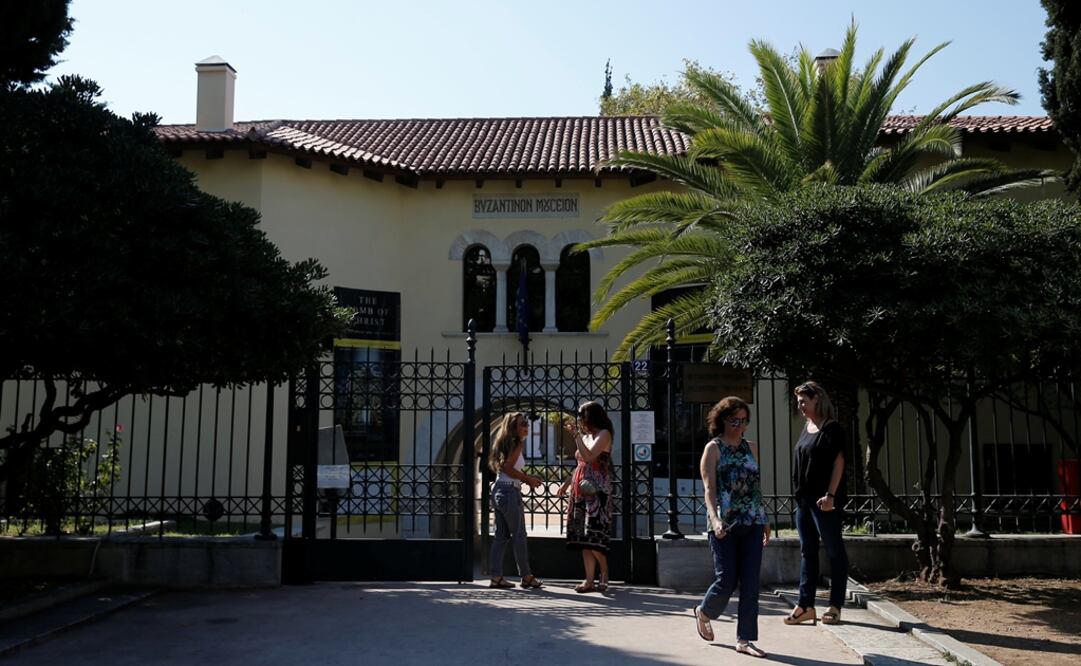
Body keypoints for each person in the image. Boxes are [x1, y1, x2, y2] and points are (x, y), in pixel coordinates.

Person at [692, 396, 771, 659]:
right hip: (725, 524)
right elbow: (709, 489)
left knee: (750, 583)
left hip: (752, 520)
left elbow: (756, 487)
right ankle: (704, 612)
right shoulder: (713, 448)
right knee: (725, 580)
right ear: (722, 420)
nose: (739, 426)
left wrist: (765, 518)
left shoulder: (751, 447)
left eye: (744, 421)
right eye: (734, 420)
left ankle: (745, 639)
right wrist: (714, 520)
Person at [785, 380, 849, 626]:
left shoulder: (832, 429)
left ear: (816, 399)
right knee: (807, 552)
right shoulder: (807, 427)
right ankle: (805, 605)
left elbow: (839, 463)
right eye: (798, 401)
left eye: (803, 400)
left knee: (835, 552)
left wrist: (831, 496)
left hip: (825, 501)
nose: (800, 405)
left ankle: (835, 606)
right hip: (804, 500)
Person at [557, 400, 614, 593]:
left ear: (591, 416)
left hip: (597, 491)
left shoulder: (604, 434)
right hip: (580, 489)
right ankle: (589, 580)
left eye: (582, 415)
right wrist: (566, 484)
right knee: (583, 538)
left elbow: (590, 457)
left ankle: (604, 572)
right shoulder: (587, 436)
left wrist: (576, 437)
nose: (580, 419)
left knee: (593, 535)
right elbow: (581, 463)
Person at [487, 411, 544, 589]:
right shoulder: (516, 443)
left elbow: (503, 468)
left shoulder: (503, 442)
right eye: (523, 424)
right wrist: (528, 479)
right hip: (509, 492)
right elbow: (507, 467)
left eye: (526, 423)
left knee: (501, 537)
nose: (527, 426)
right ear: (514, 427)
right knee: (519, 536)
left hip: (499, 490)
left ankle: (496, 577)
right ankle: (526, 576)